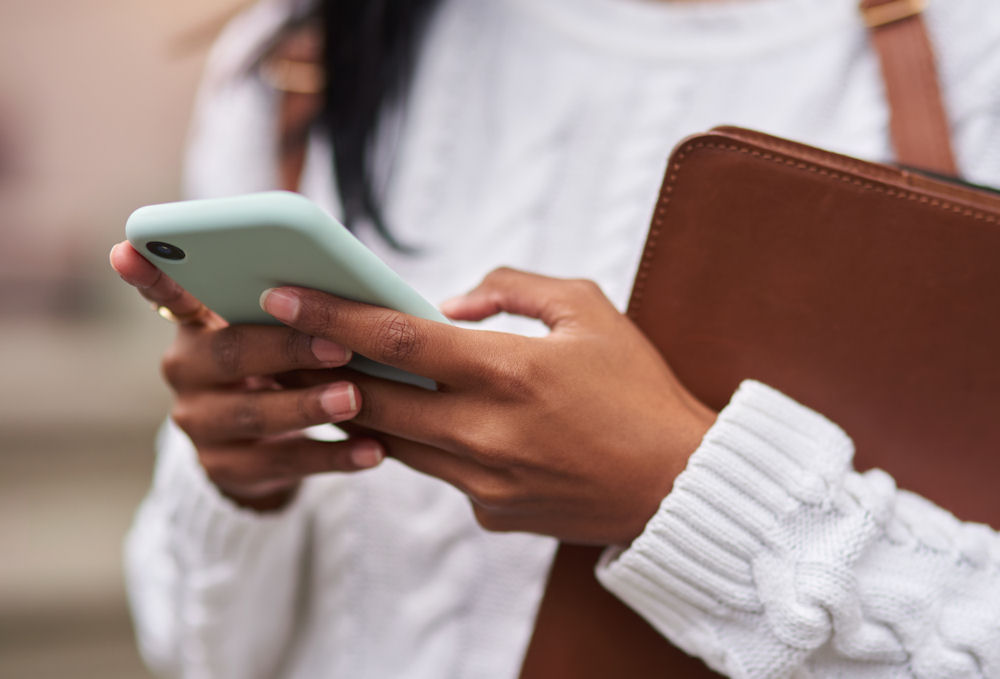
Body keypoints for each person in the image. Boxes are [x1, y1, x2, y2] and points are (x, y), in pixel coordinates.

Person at [110, 0, 1000, 676]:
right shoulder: (314, 46)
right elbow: (194, 646)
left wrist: (684, 498)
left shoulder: (973, 59)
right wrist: (234, 482)